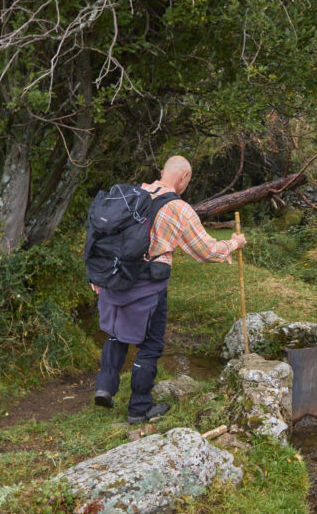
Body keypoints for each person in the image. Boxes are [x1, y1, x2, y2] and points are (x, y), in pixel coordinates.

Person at [90, 155, 246, 424]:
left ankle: (105, 387)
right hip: (148, 285)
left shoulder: (130, 194)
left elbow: (103, 237)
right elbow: (206, 251)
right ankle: (139, 409)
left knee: (116, 334)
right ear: (184, 178)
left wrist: (98, 276)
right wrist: (233, 244)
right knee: (150, 345)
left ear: (162, 172)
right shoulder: (178, 208)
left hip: (115, 279)